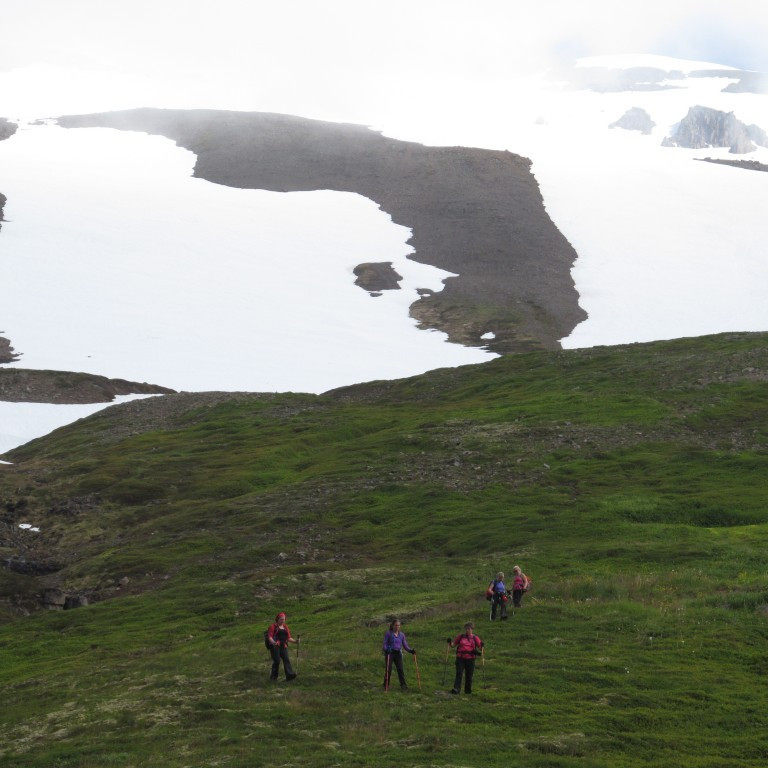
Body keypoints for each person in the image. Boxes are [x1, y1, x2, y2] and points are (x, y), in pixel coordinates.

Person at [447, 622, 483, 694]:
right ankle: (456, 689)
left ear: (472, 629)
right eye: (466, 629)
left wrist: (482, 646)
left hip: (470, 659)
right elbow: (453, 645)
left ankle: (467, 690)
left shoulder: (475, 638)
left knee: (469, 674)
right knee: (459, 673)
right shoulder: (461, 637)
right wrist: (450, 642)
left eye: (469, 629)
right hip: (460, 658)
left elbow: (480, 648)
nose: (467, 630)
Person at [382, 618, 415, 689]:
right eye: (396, 625)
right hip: (390, 653)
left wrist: (411, 650)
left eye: (398, 625)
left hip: (398, 653)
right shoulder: (388, 633)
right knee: (389, 669)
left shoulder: (402, 635)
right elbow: (385, 643)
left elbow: (405, 645)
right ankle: (386, 684)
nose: (397, 627)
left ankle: (403, 685)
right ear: (392, 626)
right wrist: (386, 649)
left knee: (400, 669)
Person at [267, 611, 299, 681]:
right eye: (281, 619)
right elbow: (270, 637)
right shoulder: (272, 626)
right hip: (275, 646)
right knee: (277, 661)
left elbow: (288, 638)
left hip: (283, 645)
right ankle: (273, 677)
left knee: (286, 659)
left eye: (284, 619)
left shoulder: (285, 627)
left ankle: (289, 675)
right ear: (277, 619)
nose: (283, 621)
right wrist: (273, 642)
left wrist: (295, 642)